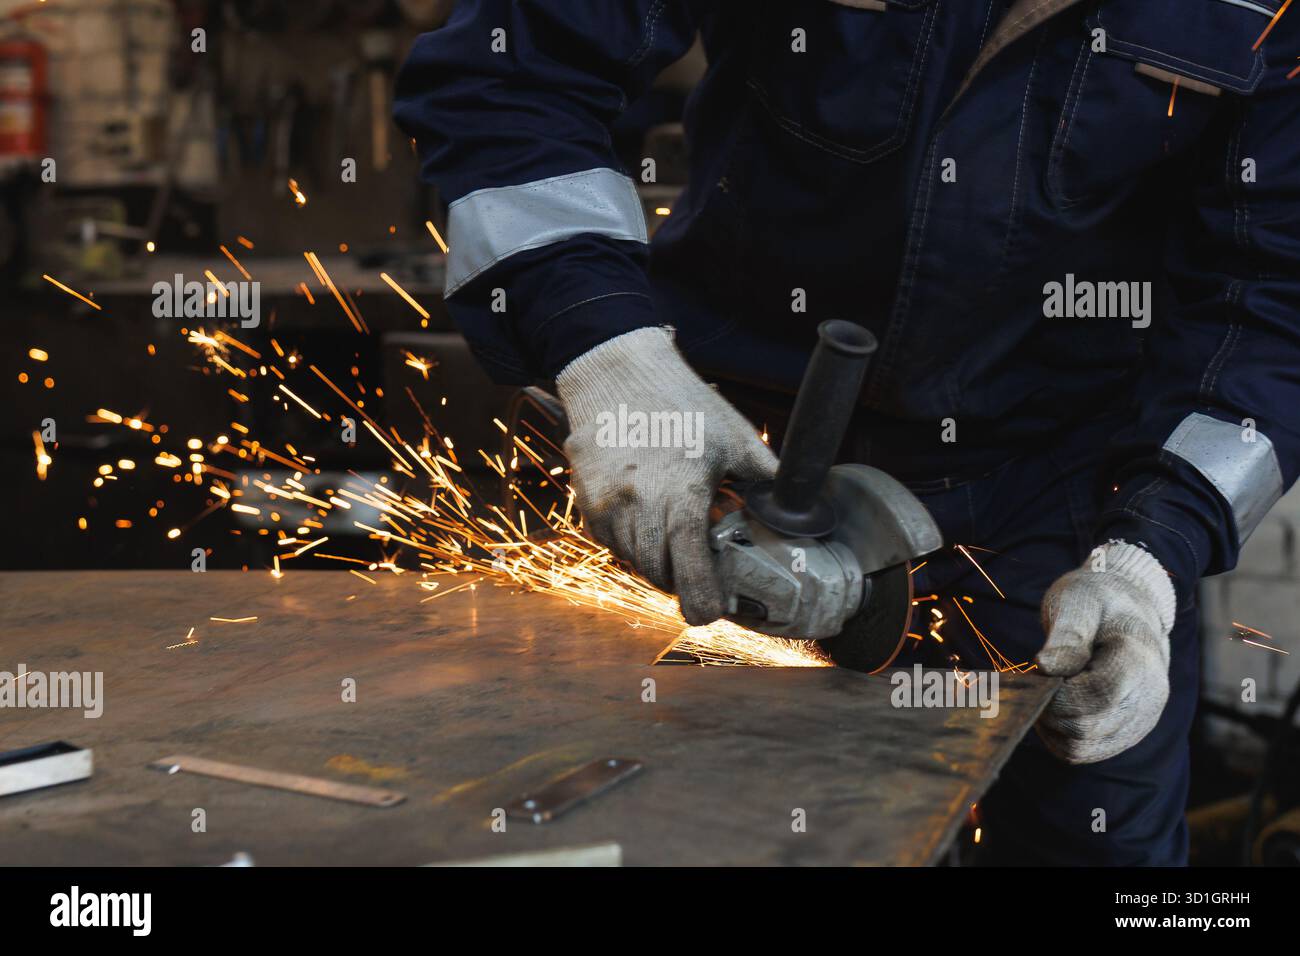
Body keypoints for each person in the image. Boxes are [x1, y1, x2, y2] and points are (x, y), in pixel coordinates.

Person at [395, 1, 1300, 864]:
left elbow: (1276, 298)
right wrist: (610, 352)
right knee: (689, 838)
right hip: (733, 468)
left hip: (1065, 520)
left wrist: (1153, 553)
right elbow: (510, 74)